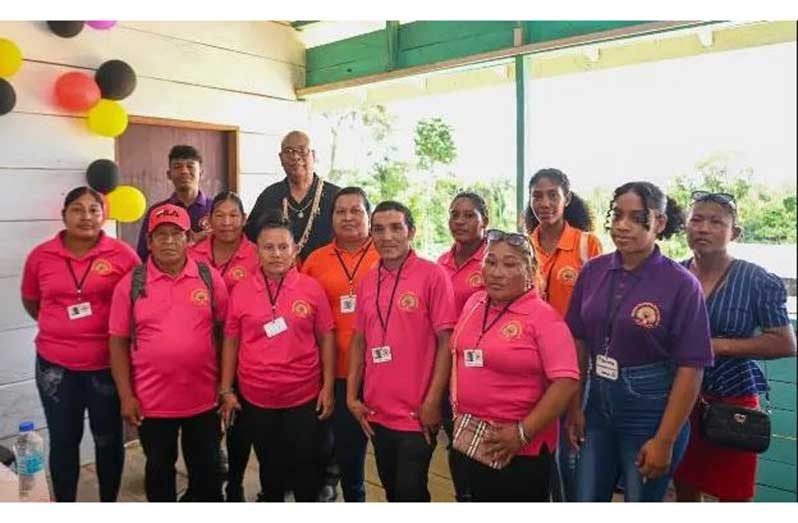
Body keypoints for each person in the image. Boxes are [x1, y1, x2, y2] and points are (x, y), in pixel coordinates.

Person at [565, 181, 714, 502]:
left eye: (636, 217)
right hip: (596, 405)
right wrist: (575, 405)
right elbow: (577, 340)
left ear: (659, 222)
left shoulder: (681, 284)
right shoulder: (593, 271)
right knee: (585, 498)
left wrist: (665, 439)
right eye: (617, 215)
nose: (622, 226)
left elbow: (692, 367)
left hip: (650, 412)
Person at [673, 191, 796, 502]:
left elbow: (785, 342)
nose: (703, 228)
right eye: (696, 220)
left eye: (716, 222)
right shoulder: (672, 274)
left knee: (734, 494)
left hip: (733, 400)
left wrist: (716, 346)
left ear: (735, 232)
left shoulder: (756, 280)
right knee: (684, 486)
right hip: (680, 400)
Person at [21, 187, 139, 502]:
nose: (86, 216)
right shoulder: (41, 256)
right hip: (55, 368)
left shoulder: (123, 255)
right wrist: (62, 330)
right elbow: (32, 302)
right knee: (63, 439)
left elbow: (139, 305)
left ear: (104, 215)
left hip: (107, 367)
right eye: (77, 209)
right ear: (64, 215)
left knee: (107, 439)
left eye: (93, 209)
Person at [109, 204, 228, 502]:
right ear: (148, 242)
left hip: (204, 400)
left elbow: (227, 334)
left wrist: (226, 388)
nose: (169, 241)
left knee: (208, 476)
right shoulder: (131, 284)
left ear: (189, 239)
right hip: (152, 403)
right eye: (160, 235)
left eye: (176, 234)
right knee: (159, 473)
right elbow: (118, 342)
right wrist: (126, 396)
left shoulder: (209, 278)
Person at [450, 229, 580, 501]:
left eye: (510, 264)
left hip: (519, 448)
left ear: (530, 269)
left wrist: (522, 433)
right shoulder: (475, 302)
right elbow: (458, 354)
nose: (497, 272)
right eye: (491, 262)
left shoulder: (543, 318)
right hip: (470, 436)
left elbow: (566, 381)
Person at [218, 212, 335, 502]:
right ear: (256, 251)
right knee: (270, 470)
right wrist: (226, 389)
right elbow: (231, 341)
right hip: (257, 398)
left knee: (306, 470)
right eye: (268, 247)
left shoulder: (311, 289)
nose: (276, 254)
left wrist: (328, 387)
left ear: (295, 249)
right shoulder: (242, 290)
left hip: (303, 396)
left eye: (283, 246)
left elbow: (326, 337)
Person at [347, 201, 457, 502]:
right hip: (376, 413)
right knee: (393, 492)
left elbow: (447, 341)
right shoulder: (368, 280)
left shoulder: (433, 275)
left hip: (416, 414)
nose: (387, 236)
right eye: (379, 229)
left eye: (396, 228)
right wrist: (352, 397)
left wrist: (433, 401)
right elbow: (360, 340)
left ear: (411, 232)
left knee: (411, 493)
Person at [524, 168, 602, 501]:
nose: (544, 203)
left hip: (573, 365)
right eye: (537, 196)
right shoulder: (524, 245)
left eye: (552, 195)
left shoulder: (587, 244)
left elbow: (597, 309)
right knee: (538, 449)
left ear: (566, 198)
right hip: (529, 361)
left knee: (570, 451)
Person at [301, 187, 380, 502]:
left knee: (396, 457)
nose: (348, 217)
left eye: (356, 210)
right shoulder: (316, 261)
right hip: (336, 373)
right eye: (341, 211)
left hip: (383, 374)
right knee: (348, 456)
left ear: (368, 215)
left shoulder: (386, 253)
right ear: (331, 218)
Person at [189, 191, 260, 502]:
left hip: (244, 352)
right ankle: (203, 487)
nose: (227, 222)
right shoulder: (192, 254)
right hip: (199, 352)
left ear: (244, 219)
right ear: (209, 219)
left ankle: (235, 484)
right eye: (220, 215)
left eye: (234, 215)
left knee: (238, 424)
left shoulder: (259, 254)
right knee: (203, 427)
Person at [436, 191, 490, 502]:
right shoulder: (440, 263)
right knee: (456, 440)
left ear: (486, 221)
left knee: (482, 442)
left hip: (483, 368)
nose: (460, 221)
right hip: (447, 366)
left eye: (469, 215)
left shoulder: (494, 260)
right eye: (455, 214)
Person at [244, 131, 340, 263]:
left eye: (302, 150)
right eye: (288, 151)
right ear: (280, 158)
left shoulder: (335, 196)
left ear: (313, 155)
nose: (295, 156)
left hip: (326, 272)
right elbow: (250, 237)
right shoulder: (269, 195)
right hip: (278, 276)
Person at [136, 145, 213, 261]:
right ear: (169, 174)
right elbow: (144, 255)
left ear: (201, 173)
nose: (184, 171)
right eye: (177, 167)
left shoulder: (216, 209)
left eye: (190, 166)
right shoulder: (157, 211)